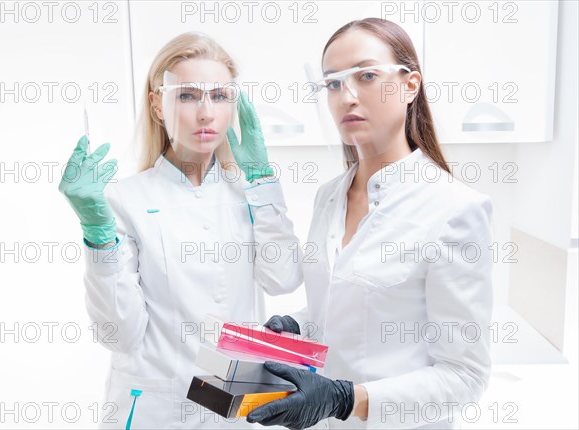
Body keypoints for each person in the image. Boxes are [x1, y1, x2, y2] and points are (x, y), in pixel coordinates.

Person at [248, 18, 493, 429]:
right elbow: (353, 307)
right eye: (332, 83)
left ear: (410, 85)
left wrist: (348, 399)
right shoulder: (329, 196)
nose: (347, 96)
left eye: (366, 75)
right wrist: (299, 324)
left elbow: (465, 376)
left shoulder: (455, 209)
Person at [58, 32, 302, 429]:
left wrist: (263, 182)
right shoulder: (123, 200)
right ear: (158, 104)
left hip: (234, 407)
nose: (206, 113)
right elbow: (118, 334)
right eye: (187, 95)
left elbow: (283, 279)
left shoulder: (251, 192)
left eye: (219, 96)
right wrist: (99, 237)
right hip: (156, 409)